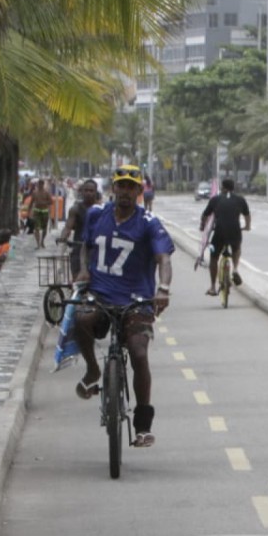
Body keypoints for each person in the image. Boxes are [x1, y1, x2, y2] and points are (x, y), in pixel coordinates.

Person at [72, 164, 174, 448]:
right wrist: (83, 269)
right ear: (113, 188)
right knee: (80, 318)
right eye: (121, 186)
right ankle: (93, 370)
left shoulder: (149, 222)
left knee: (139, 353)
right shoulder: (96, 214)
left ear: (140, 191)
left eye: (132, 187)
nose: (125, 192)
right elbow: (86, 246)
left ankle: (142, 425)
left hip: (136, 300)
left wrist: (162, 289)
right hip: (101, 295)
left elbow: (163, 259)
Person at [200, 178, 251, 295]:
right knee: (237, 248)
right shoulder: (240, 199)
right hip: (235, 230)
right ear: (233, 188)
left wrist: (203, 227)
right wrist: (247, 226)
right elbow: (247, 215)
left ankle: (213, 287)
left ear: (222, 188)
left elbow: (205, 215)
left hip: (220, 231)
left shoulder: (215, 199)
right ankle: (235, 269)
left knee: (214, 257)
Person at [57, 178, 99, 268]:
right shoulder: (75, 209)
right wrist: (62, 238)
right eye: (86, 190)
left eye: (91, 191)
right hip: (78, 248)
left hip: (95, 250)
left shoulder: (101, 209)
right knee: (76, 278)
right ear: (82, 192)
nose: (88, 193)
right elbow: (67, 227)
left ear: (96, 192)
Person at [29, 178, 54, 249]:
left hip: (44, 211)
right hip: (36, 211)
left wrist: (44, 203)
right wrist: (29, 211)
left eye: (41, 184)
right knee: (36, 228)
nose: (40, 185)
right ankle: (38, 244)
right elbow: (31, 203)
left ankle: (42, 241)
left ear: (43, 185)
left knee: (44, 228)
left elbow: (51, 202)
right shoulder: (34, 192)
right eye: (39, 184)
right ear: (37, 184)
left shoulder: (46, 193)